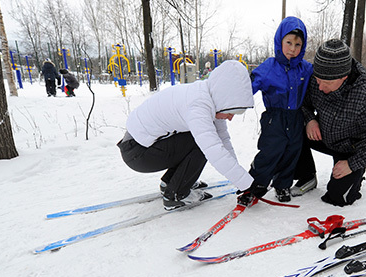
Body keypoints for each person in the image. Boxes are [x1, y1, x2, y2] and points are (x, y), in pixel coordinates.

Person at [118, 60, 255, 210]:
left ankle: (171, 182)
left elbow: (223, 142)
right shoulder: (198, 106)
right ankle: (176, 194)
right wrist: (248, 185)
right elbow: (215, 151)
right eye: (232, 112)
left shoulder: (207, 97)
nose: (230, 117)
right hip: (137, 154)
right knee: (201, 143)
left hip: (139, 147)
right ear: (223, 99)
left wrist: (241, 179)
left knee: (203, 138)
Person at [291, 39, 366, 207]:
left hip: (351, 150)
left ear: (344, 77)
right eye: (318, 80)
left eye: (326, 83)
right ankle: (307, 175)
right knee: (290, 128)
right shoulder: (316, 79)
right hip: (323, 135)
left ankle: (356, 175)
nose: (319, 87)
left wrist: (352, 164)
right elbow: (303, 104)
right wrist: (310, 120)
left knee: (338, 198)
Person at [239, 16, 313, 205]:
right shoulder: (269, 67)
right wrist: (234, 100)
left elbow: (321, 77)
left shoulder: (305, 69)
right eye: (288, 42)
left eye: (298, 44)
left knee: (291, 153)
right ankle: (254, 187)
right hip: (274, 118)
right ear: (280, 41)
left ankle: (282, 185)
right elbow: (249, 86)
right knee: (269, 153)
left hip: (296, 117)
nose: (293, 49)